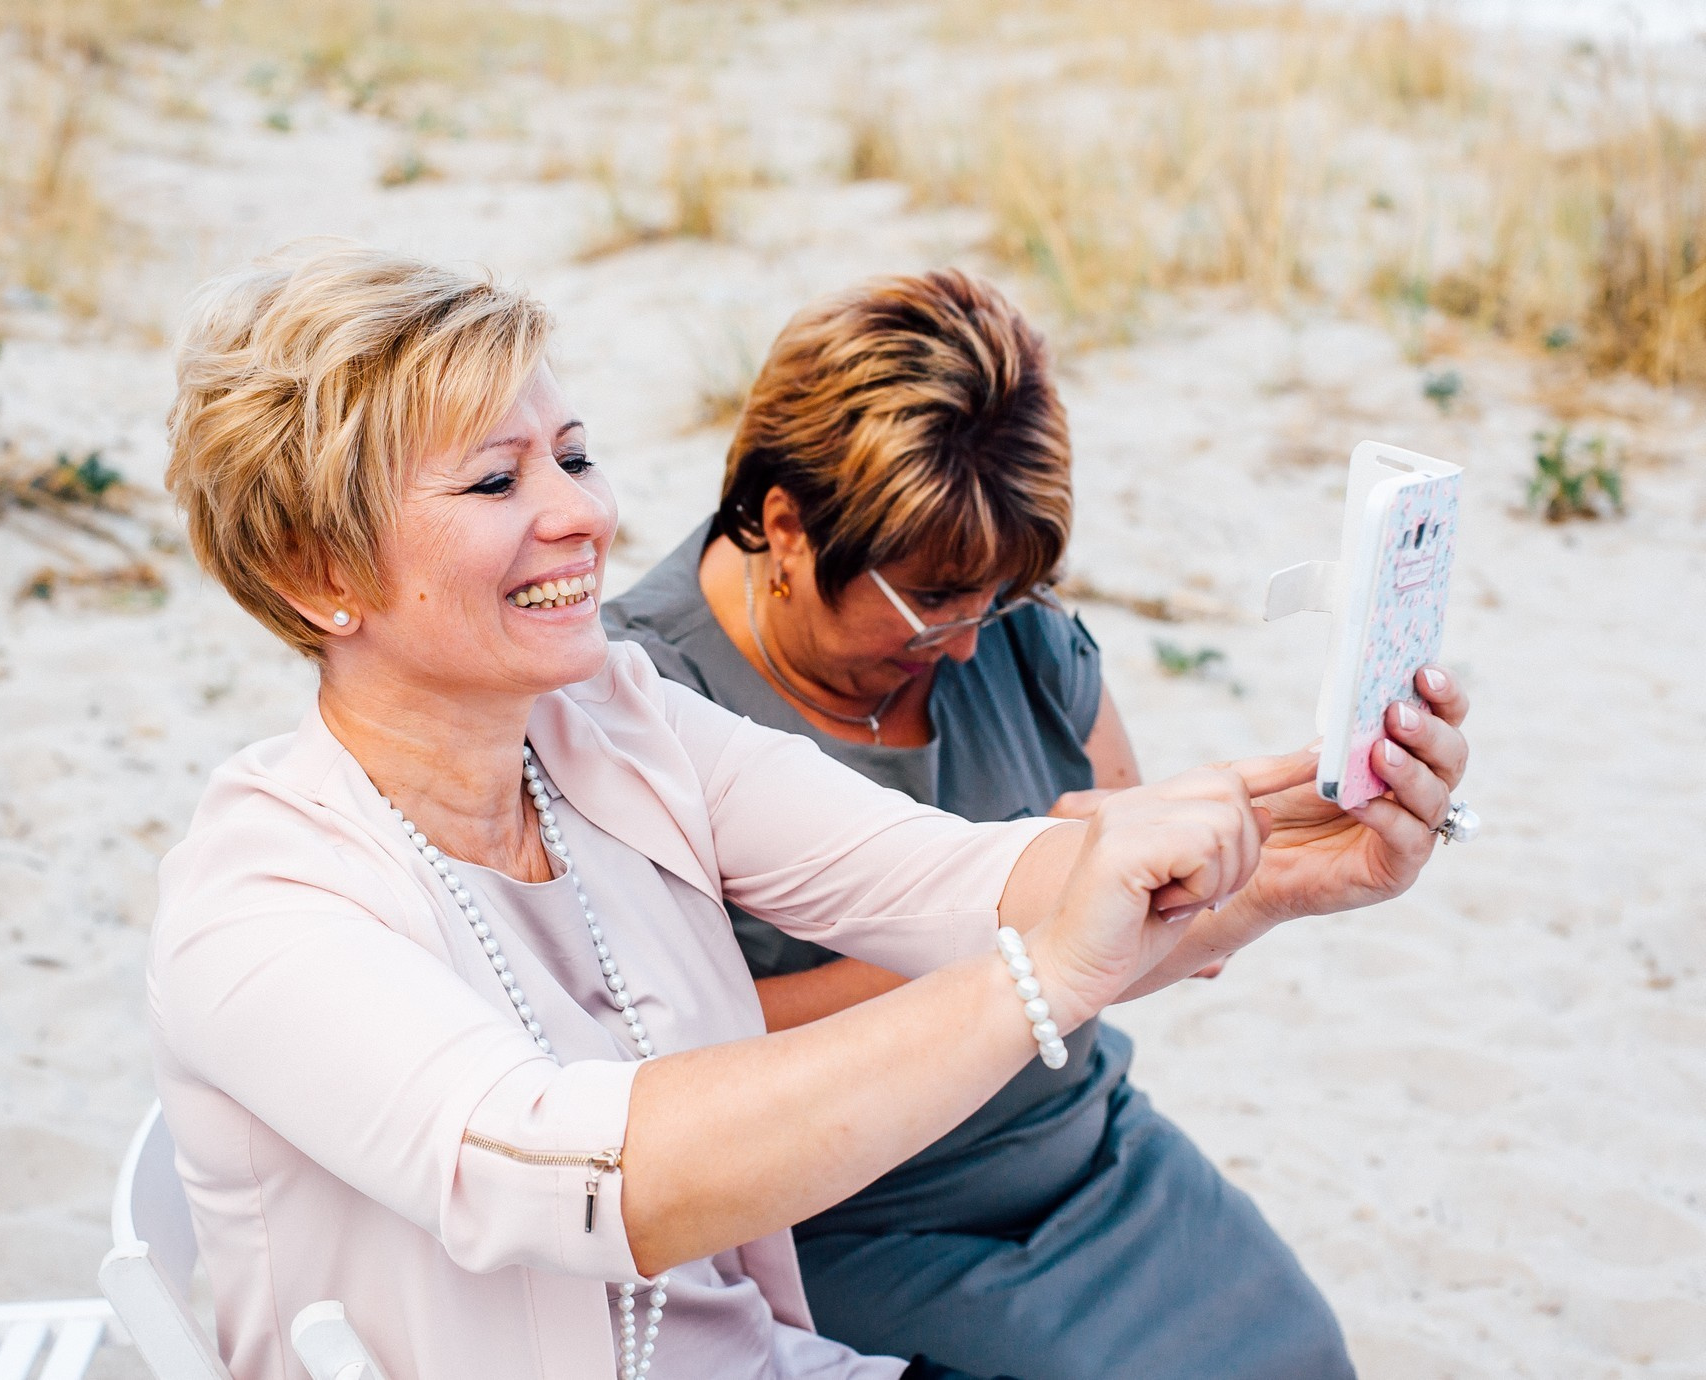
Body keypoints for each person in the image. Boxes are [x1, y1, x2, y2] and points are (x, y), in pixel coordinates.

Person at [151, 241, 1472, 1380]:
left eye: (574, 456)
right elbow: (575, 1179)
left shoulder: (613, 725)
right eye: (498, 483)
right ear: (317, 574)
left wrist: (1277, 853)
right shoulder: (263, 907)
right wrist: (1042, 976)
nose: (585, 513)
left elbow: (949, 877)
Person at [603, 267, 1473, 1379]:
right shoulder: (637, 703)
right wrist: (1026, 920)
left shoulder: (1012, 627)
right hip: (842, 1212)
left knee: (1295, 1352)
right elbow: (640, 1071)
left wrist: (1288, 871)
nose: (971, 642)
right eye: (933, 599)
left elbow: (1149, 936)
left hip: (1078, 1146)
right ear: (786, 526)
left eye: (1002, 594)